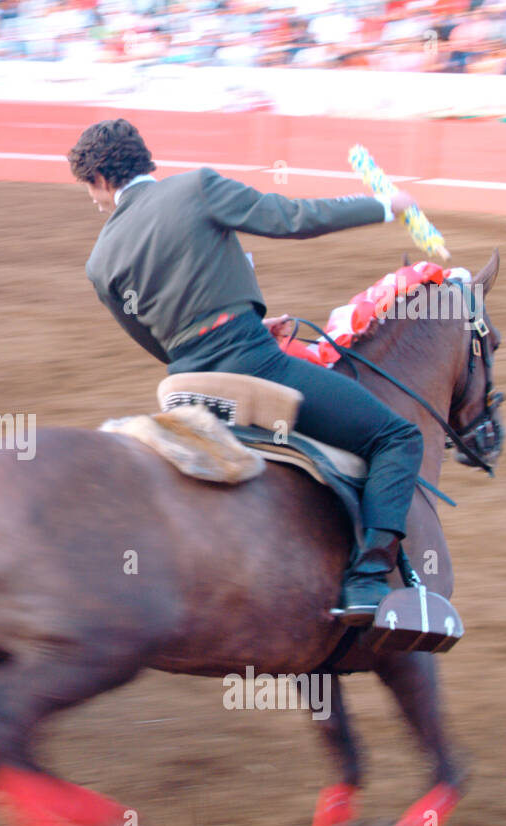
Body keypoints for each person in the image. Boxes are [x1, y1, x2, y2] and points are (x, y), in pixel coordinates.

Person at [69, 118, 424, 624]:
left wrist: (248, 319)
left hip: (184, 386)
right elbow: (293, 218)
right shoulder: (196, 187)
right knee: (397, 437)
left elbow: (153, 339)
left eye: (89, 187)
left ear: (102, 180)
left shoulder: (100, 259)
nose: (93, 198)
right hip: (252, 363)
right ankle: (368, 581)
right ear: (141, 161)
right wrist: (386, 206)